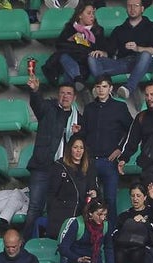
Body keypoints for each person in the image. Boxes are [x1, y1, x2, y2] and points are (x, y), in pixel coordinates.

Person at [22, 75, 81, 239]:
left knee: (57, 211)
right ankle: (27, 245)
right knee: (35, 208)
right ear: (58, 95)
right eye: (62, 93)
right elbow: (37, 104)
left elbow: (81, 147)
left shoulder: (78, 119)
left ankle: (50, 246)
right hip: (42, 166)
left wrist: (78, 134)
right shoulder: (48, 108)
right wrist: (34, 91)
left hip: (64, 171)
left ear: (74, 97)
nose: (65, 96)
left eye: (69, 93)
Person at [83, 75, 134, 219]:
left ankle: (111, 237)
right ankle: (92, 237)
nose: (101, 90)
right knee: (91, 201)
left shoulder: (119, 107)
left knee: (110, 200)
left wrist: (120, 148)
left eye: (104, 86)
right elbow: (85, 133)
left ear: (111, 88)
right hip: (91, 161)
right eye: (98, 86)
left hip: (109, 161)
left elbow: (131, 130)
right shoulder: (89, 108)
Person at [46, 135, 98, 241]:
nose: (78, 151)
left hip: (82, 215)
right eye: (75, 147)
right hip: (62, 216)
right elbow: (51, 195)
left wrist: (95, 193)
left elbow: (95, 189)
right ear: (70, 149)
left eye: (81, 148)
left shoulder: (89, 167)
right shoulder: (59, 167)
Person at [46, 3, 107, 87]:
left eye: (93, 13)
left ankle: (78, 82)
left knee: (68, 72)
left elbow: (101, 49)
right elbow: (59, 45)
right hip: (70, 59)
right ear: (80, 15)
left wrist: (87, 43)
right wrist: (71, 39)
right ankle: (78, 80)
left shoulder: (98, 30)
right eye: (89, 13)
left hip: (85, 61)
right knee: (63, 56)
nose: (92, 16)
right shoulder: (70, 28)